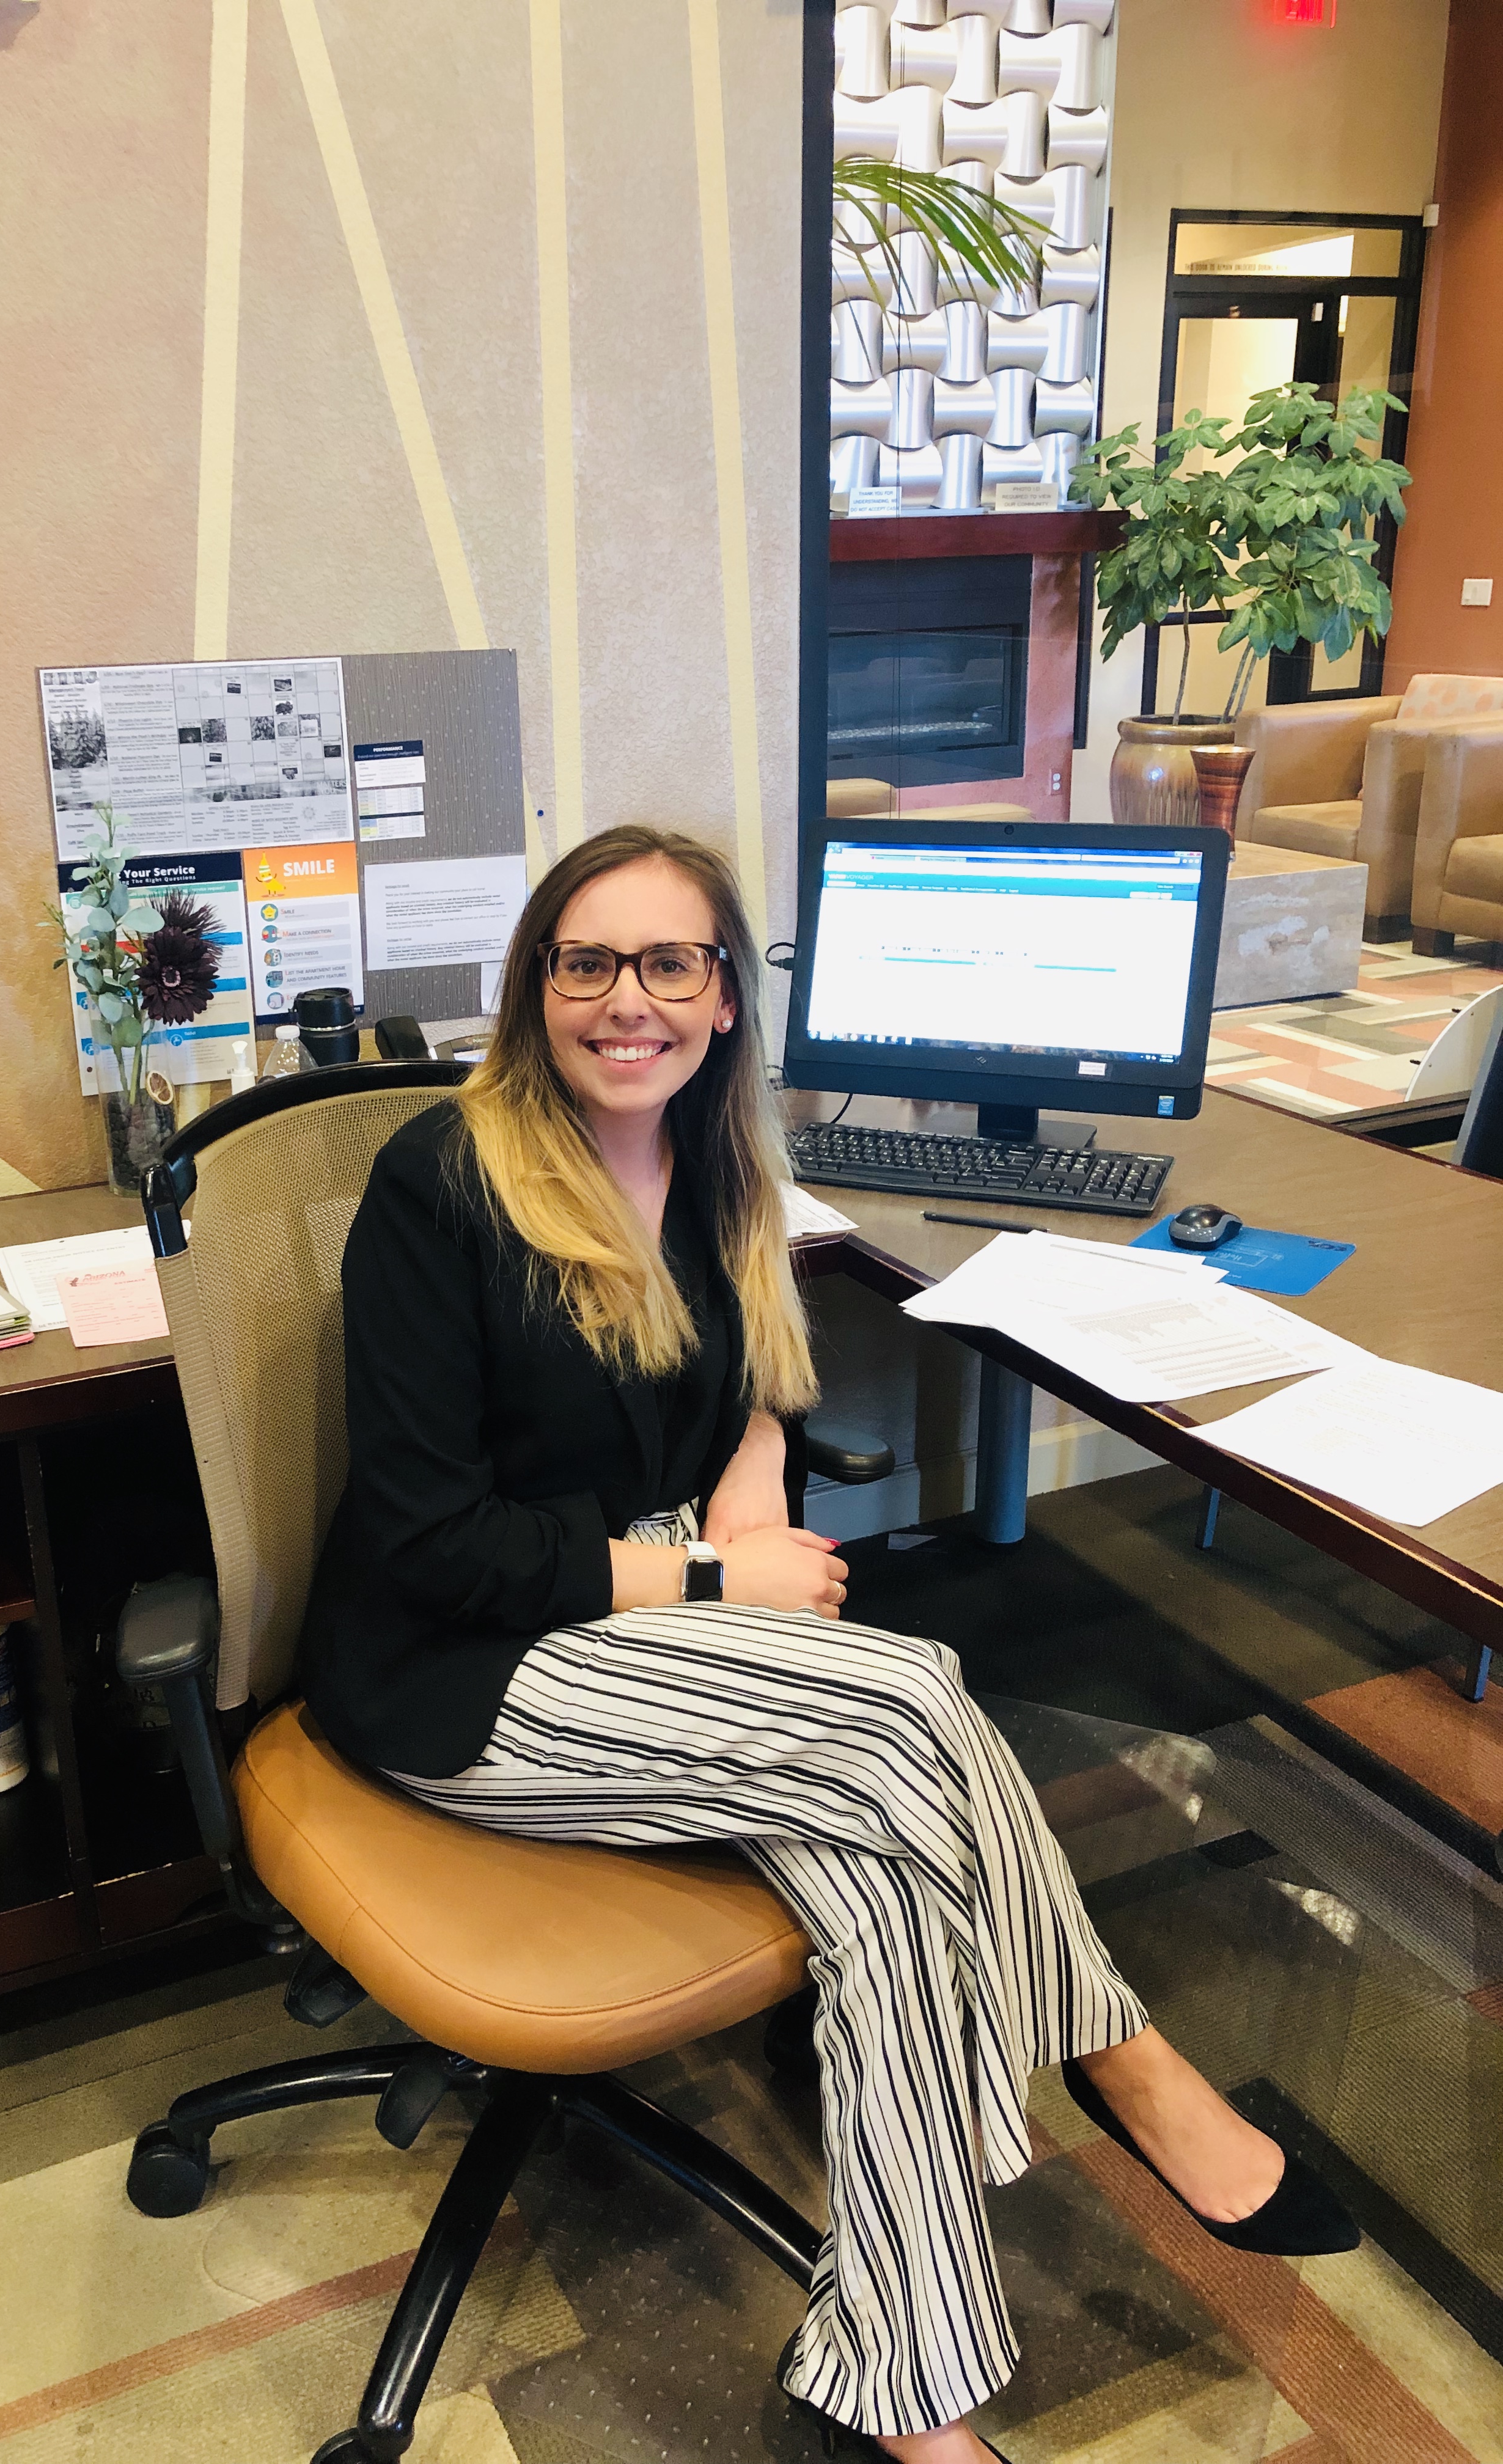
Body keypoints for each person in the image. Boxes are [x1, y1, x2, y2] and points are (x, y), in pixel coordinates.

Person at [298, 824, 1356, 2463]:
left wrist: (748, 1485)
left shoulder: (716, 1159)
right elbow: (434, 1545)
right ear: (535, 989)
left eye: (671, 963)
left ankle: (907, 2393)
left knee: (884, 1877)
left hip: (645, 1601)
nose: (629, 999)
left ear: (726, 995)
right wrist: (720, 1578)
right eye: (589, 962)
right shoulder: (444, 1186)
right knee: (911, 1700)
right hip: (464, 1662)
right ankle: (1124, 2056)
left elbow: (754, 1382)